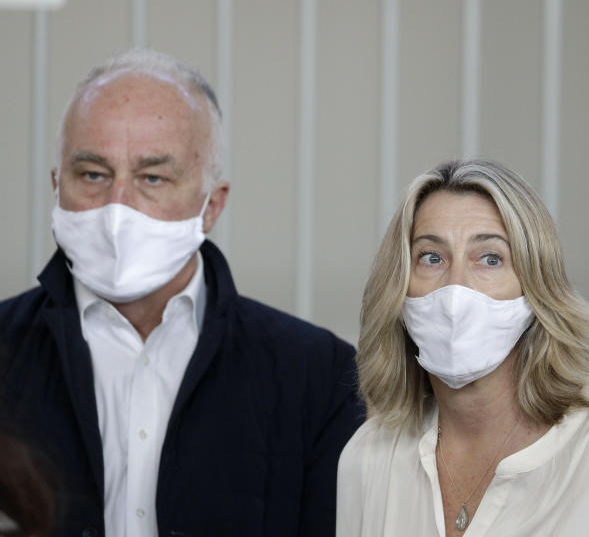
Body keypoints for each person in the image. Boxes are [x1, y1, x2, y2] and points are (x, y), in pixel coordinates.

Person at [0, 48, 364, 537]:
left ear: (211, 205)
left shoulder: (317, 378)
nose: (117, 208)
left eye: (153, 177)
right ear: (56, 185)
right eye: (92, 174)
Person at [336, 159, 589, 536]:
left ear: (536, 288)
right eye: (431, 257)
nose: (456, 287)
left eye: (490, 259)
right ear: (400, 286)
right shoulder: (370, 457)